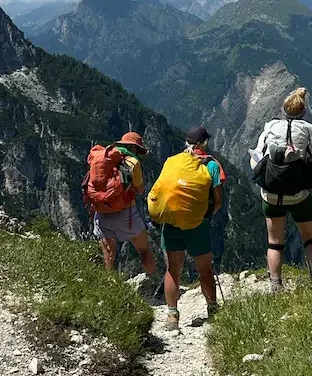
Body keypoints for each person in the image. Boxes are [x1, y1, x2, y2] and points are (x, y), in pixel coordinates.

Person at [151, 126, 223, 330]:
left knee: (173, 270)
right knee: (205, 269)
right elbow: (218, 201)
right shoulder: (211, 165)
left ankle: (172, 316)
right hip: (197, 225)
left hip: (171, 222)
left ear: (186, 142)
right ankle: (212, 310)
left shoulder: (173, 162)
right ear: (204, 143)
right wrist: (204, 215)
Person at [250, 87, 312, 293]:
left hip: (271, 194)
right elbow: (310, 158)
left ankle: (275, 285)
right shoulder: (310, 132)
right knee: (311, 239)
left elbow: (257, 158)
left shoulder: (270, 128)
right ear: (304, 111)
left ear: (283, 109)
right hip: (300, 194)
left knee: (274, 242)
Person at [92, 132, 157, 277]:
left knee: (108, 254)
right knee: (144, 249)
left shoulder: (103, 158)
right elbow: (140, 190)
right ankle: (154, 281)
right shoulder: (133, 162)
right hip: (126, 214)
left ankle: (107, 284)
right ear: (134, 148)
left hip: (101, 212)